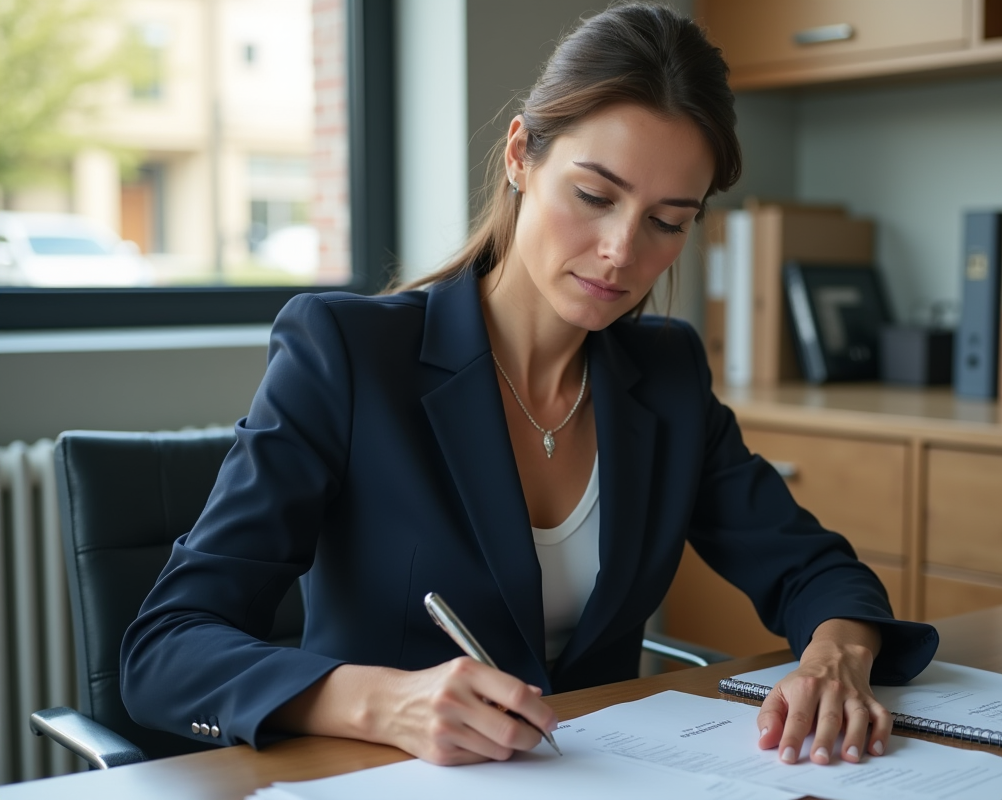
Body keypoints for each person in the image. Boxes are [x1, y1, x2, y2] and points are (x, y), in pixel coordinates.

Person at [121, 1, 937, 770]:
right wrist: (384, 702)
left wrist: (836, 657)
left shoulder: (665, 375)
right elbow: (165, 649)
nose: (622, 251)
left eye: (667, 221)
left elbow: (814, 570)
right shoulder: (346, 354)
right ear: (520, 155)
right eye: (593, 196)